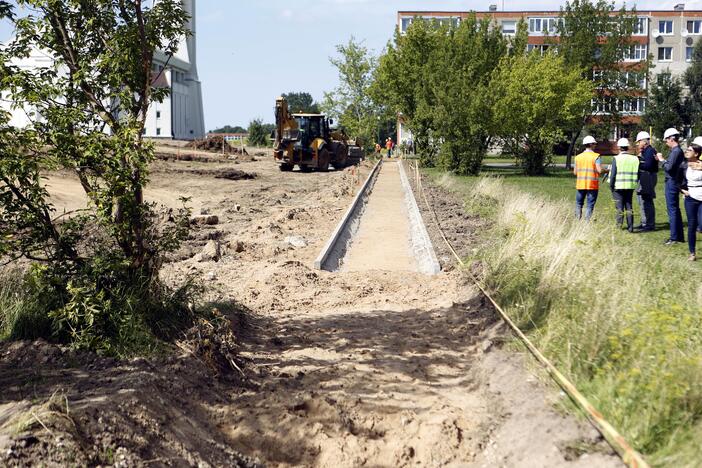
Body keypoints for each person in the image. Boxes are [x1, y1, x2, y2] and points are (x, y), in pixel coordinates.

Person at [656, 128, 685, 245]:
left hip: (672, 182)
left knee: (672, 210)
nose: (665, 142)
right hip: (674, 181)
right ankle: (679, 237)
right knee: (675, 210)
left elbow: (669, 167)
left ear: (672, 138)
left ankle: (674, 238)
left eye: (666, 139)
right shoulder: (677, 151)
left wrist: (662, 159)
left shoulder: (676, 151)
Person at [609, 138, 640, 232]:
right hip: (630, 186)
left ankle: (619, 226)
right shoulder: (635, 158)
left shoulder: (616, 158)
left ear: (619, 147)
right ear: (628, 147)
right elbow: (638, 173)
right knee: (629, 206)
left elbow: (613, 174)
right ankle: (630, 227)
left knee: (619, 207)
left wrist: (611, 185)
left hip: (618, 186)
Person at [573, 135, 602, 220]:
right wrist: (607, 171)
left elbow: (575, 172)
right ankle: (586, 222)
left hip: (581, 185)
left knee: (579, 204)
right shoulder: (596, 156)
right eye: (594, 144)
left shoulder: (578, 157)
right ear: (591, 144)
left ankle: (578, 221)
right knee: (590, 205)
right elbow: (599, 170)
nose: (595, 145)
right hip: (592, 185)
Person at [681, 143, 702, 261]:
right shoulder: (683, 165)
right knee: (692, 225)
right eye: (687, 149)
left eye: (689, 150)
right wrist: (682, 190)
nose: (686, 151)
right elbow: (677, 179)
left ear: (697, 153)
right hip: (690, 198)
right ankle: (692, 252)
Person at [634, 131, 658, 232]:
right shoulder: (646, 151)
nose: (638, 144)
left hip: (648, 176)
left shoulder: (649, 151)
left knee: (647, 201)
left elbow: (648, 166)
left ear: (644, 141)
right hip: (646, 176)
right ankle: (645, 223)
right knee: (642, 201)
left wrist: (636, 164)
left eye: (639, 142)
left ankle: (649, 224)